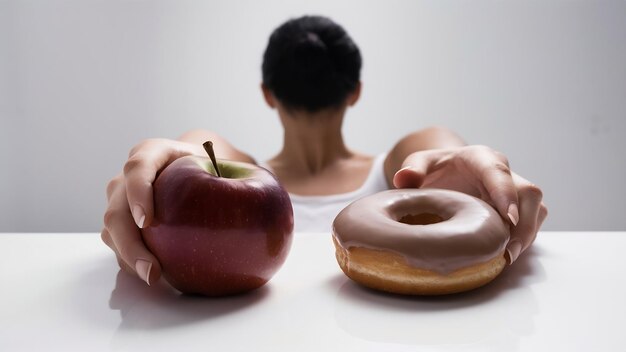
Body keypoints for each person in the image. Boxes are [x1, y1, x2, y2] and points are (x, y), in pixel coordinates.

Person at [102, 15, 547, 286]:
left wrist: (174, 174)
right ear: (354, 91)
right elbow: (197, 152)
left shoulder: (400, 170)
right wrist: (171, 170)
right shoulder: (239, 173)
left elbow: (440, 153)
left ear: (267, 93)